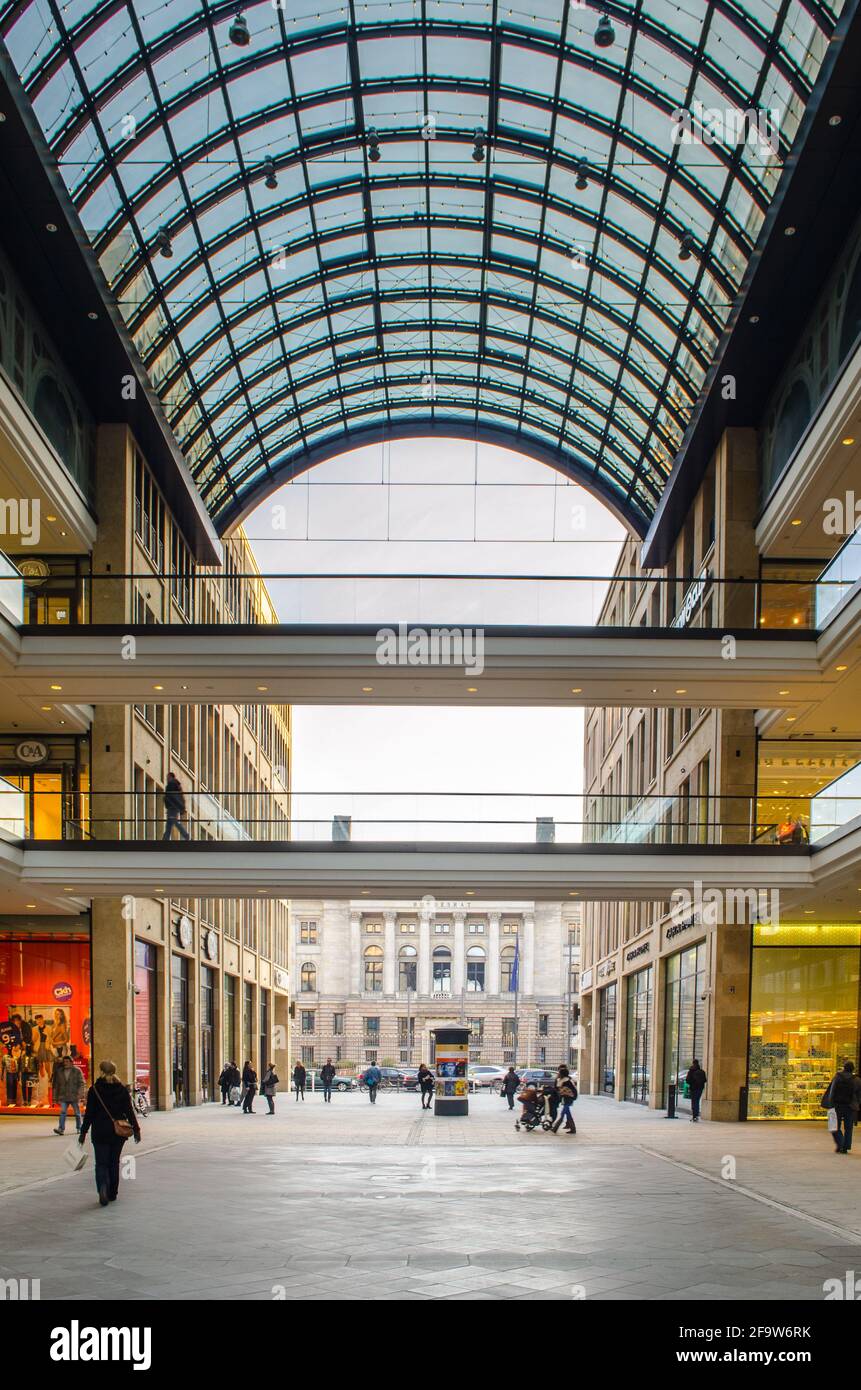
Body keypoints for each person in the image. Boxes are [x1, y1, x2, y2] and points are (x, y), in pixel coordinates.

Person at [78, 1060, 141, 1207]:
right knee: (114, 1162)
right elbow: (129, 1111)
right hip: (117, 1133)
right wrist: (136, 1129)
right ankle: (112, 1192)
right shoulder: (121, 1089)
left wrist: (83, 1132)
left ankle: (102, 1188)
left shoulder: (95, 1090)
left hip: (100, 1131)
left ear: (100, 1072)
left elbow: (89, 1114)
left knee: (101, 1163)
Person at [824, 1060, 861, 1153]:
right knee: (849, 1128)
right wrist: (857, 1104)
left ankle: (840, 1144)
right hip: (850, 1106)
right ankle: (845, 1147)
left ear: (844, 1068)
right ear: (853, 1069)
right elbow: (859, 1095)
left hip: (837, 1105)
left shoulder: (837, 1077)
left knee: (834, 1126)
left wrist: (830, 1104)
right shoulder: (857, 1080)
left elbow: (832, 1092)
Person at [52, 1055, 87, 1134]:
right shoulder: (59, 1071)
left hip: (74, 1096)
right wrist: (55, 1098)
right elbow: (56, 1085)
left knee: (77, 1113)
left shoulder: (77, 1070)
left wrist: (80, 1094)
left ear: (72, 1062)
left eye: (67, 1061)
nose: (65, 1063)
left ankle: (79, 1128)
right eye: (64, 1062)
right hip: (63, 1096)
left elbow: (82, 1083)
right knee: (63, 1112)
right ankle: (61, 1129)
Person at [162, 770, 190, 841]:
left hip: (172, 807)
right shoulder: (176, 785)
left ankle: (185, 835)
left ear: (171, 777)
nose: (167, 778)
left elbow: (170, 796)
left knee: (173, 821)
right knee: (170, 822)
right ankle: (166, 837)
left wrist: (166, 799)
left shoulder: (171, 784)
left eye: (167, 777)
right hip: (174, 806)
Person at [552, 1065, 577, 1134]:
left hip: (568, 1098)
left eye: (559, 1073)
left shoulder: (565, 1080)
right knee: (567, 1113)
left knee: (563, 1113)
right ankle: (573, 1129)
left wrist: (557, 1078)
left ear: (562, 1074)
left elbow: (557, 1087)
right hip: (567, 1098)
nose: (558, 1074)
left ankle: (555, 1128)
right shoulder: (566, 1079)